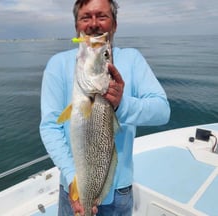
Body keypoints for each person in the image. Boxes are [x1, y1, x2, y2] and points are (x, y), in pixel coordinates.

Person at [40, 0, 170, 215]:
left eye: (101, 16)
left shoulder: (133, 59)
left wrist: (122, 103)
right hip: (72, 188)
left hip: (119, 193)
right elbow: (50, 127)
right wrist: (74, 179)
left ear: (115, 24)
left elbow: (162, 111)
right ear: (76, 27)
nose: (93, 24)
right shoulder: (57, 64)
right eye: (85, 17)